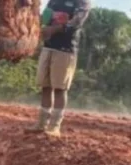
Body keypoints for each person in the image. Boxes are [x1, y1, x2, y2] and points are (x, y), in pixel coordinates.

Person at [28, 0, 90, 136]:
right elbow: (46, 17)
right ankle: (41, 123)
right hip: (48, 46)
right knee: (45, 86)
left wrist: (53, 29)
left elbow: (77, 22)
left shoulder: (82, 2)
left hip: (65, 49)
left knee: (60, 88)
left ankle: (55, 126)